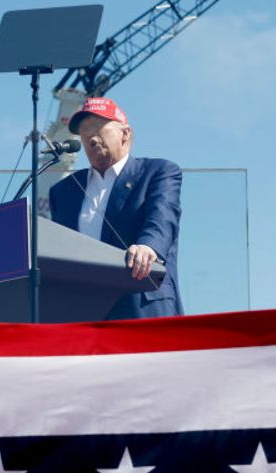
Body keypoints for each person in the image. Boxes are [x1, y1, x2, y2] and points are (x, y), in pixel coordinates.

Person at [48, 97, 183, 320]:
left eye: (98, 128)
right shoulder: (64, 191)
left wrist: (148, 247)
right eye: (83, 133)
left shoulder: (158, 172)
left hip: (141, 306)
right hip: (82, 315)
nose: (90, 137)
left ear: (125, 133)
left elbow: (162, 217)